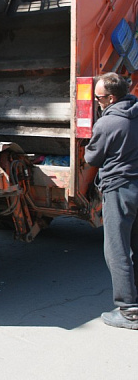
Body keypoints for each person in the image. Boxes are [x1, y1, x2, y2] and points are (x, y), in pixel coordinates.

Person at [85, 72, 138, 329]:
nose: (97, 102)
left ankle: (128, 310)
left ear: (111, 98)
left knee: (116, 249)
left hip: (119, 189)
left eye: (99, 98)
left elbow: (92, 158)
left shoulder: (107, 124)